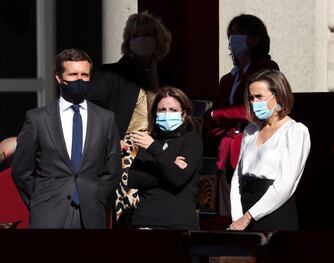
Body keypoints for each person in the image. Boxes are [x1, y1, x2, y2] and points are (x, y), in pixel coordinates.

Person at [12, 49, 121, 229]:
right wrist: (40, 201)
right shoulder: (37, 119)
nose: (79, 79)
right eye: (73, 74)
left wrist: (97, 196)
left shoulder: (106, 118)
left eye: (84, 74)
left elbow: (113, 169)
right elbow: (22, 170)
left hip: (91, 213)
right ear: (58, 78)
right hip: (48, 214)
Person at [86, 11, 173, 222]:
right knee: (128, 218)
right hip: (127, 155)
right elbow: (89, 108)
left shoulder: (166, 75)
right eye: (136, 35)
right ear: (128, 41)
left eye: (147, 34)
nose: (142, 40)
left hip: (158, 153)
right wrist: (112, 139)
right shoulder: (112, 74)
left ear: (158, 40)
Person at [208, 14, 280, 216]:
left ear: (255, 38)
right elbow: (213, 120)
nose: (232, 39)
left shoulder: (267, 69)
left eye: (238, 34)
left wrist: (217, 114)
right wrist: (218, 116)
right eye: (230, 34)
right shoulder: (228, 78)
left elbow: (252, 111)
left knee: (250, 211)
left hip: (254, 149)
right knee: (226, 213)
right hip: (228, 150)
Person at [229, 69, 310, 231]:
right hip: (244, 212)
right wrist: (238, 217)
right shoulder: (250, 131)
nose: (254, 102)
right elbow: (237, 177)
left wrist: (248, 217)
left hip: (274, 213)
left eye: (259, 97)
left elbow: (285, 184)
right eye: (251, 98)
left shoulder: (294, 131)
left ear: (278, 96)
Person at [127, 86, 202, 229]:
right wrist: (170, 165)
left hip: (178, 223)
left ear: (183, 115)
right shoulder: (150, 140)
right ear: (155, 114)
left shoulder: (192, 140)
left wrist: (154, 150)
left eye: (173, 110)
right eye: (162, 110)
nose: (167, 114)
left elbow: (177, 179)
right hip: (145, 221)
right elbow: (133, 179)